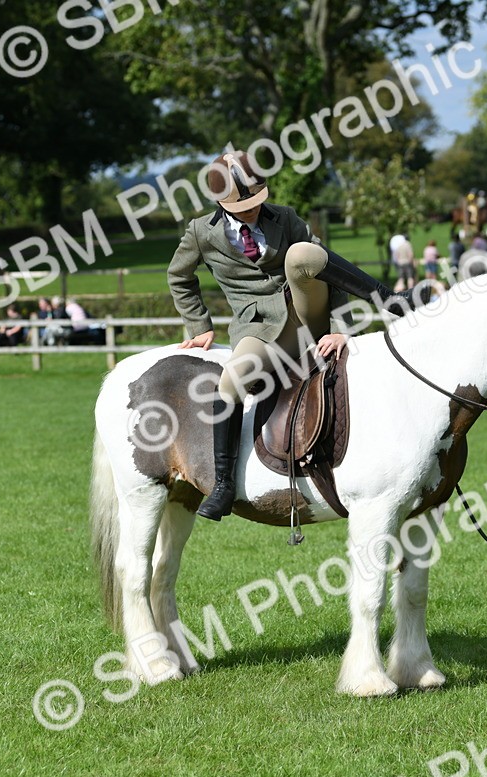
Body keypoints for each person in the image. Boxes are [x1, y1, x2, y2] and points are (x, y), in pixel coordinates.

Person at [169, 149, 427, 521]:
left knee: (303, 253)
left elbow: (326, 271)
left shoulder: (285, 218)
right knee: (230, 382)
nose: (255, 209)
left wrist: (341, 330)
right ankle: (224, 484)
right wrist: (199, 325)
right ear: (220, 202)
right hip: (258, 329)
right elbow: (179, 276)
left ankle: (388, 298)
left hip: (309, 309)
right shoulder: (201, 233)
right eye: (245, 206)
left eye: (259, 200)